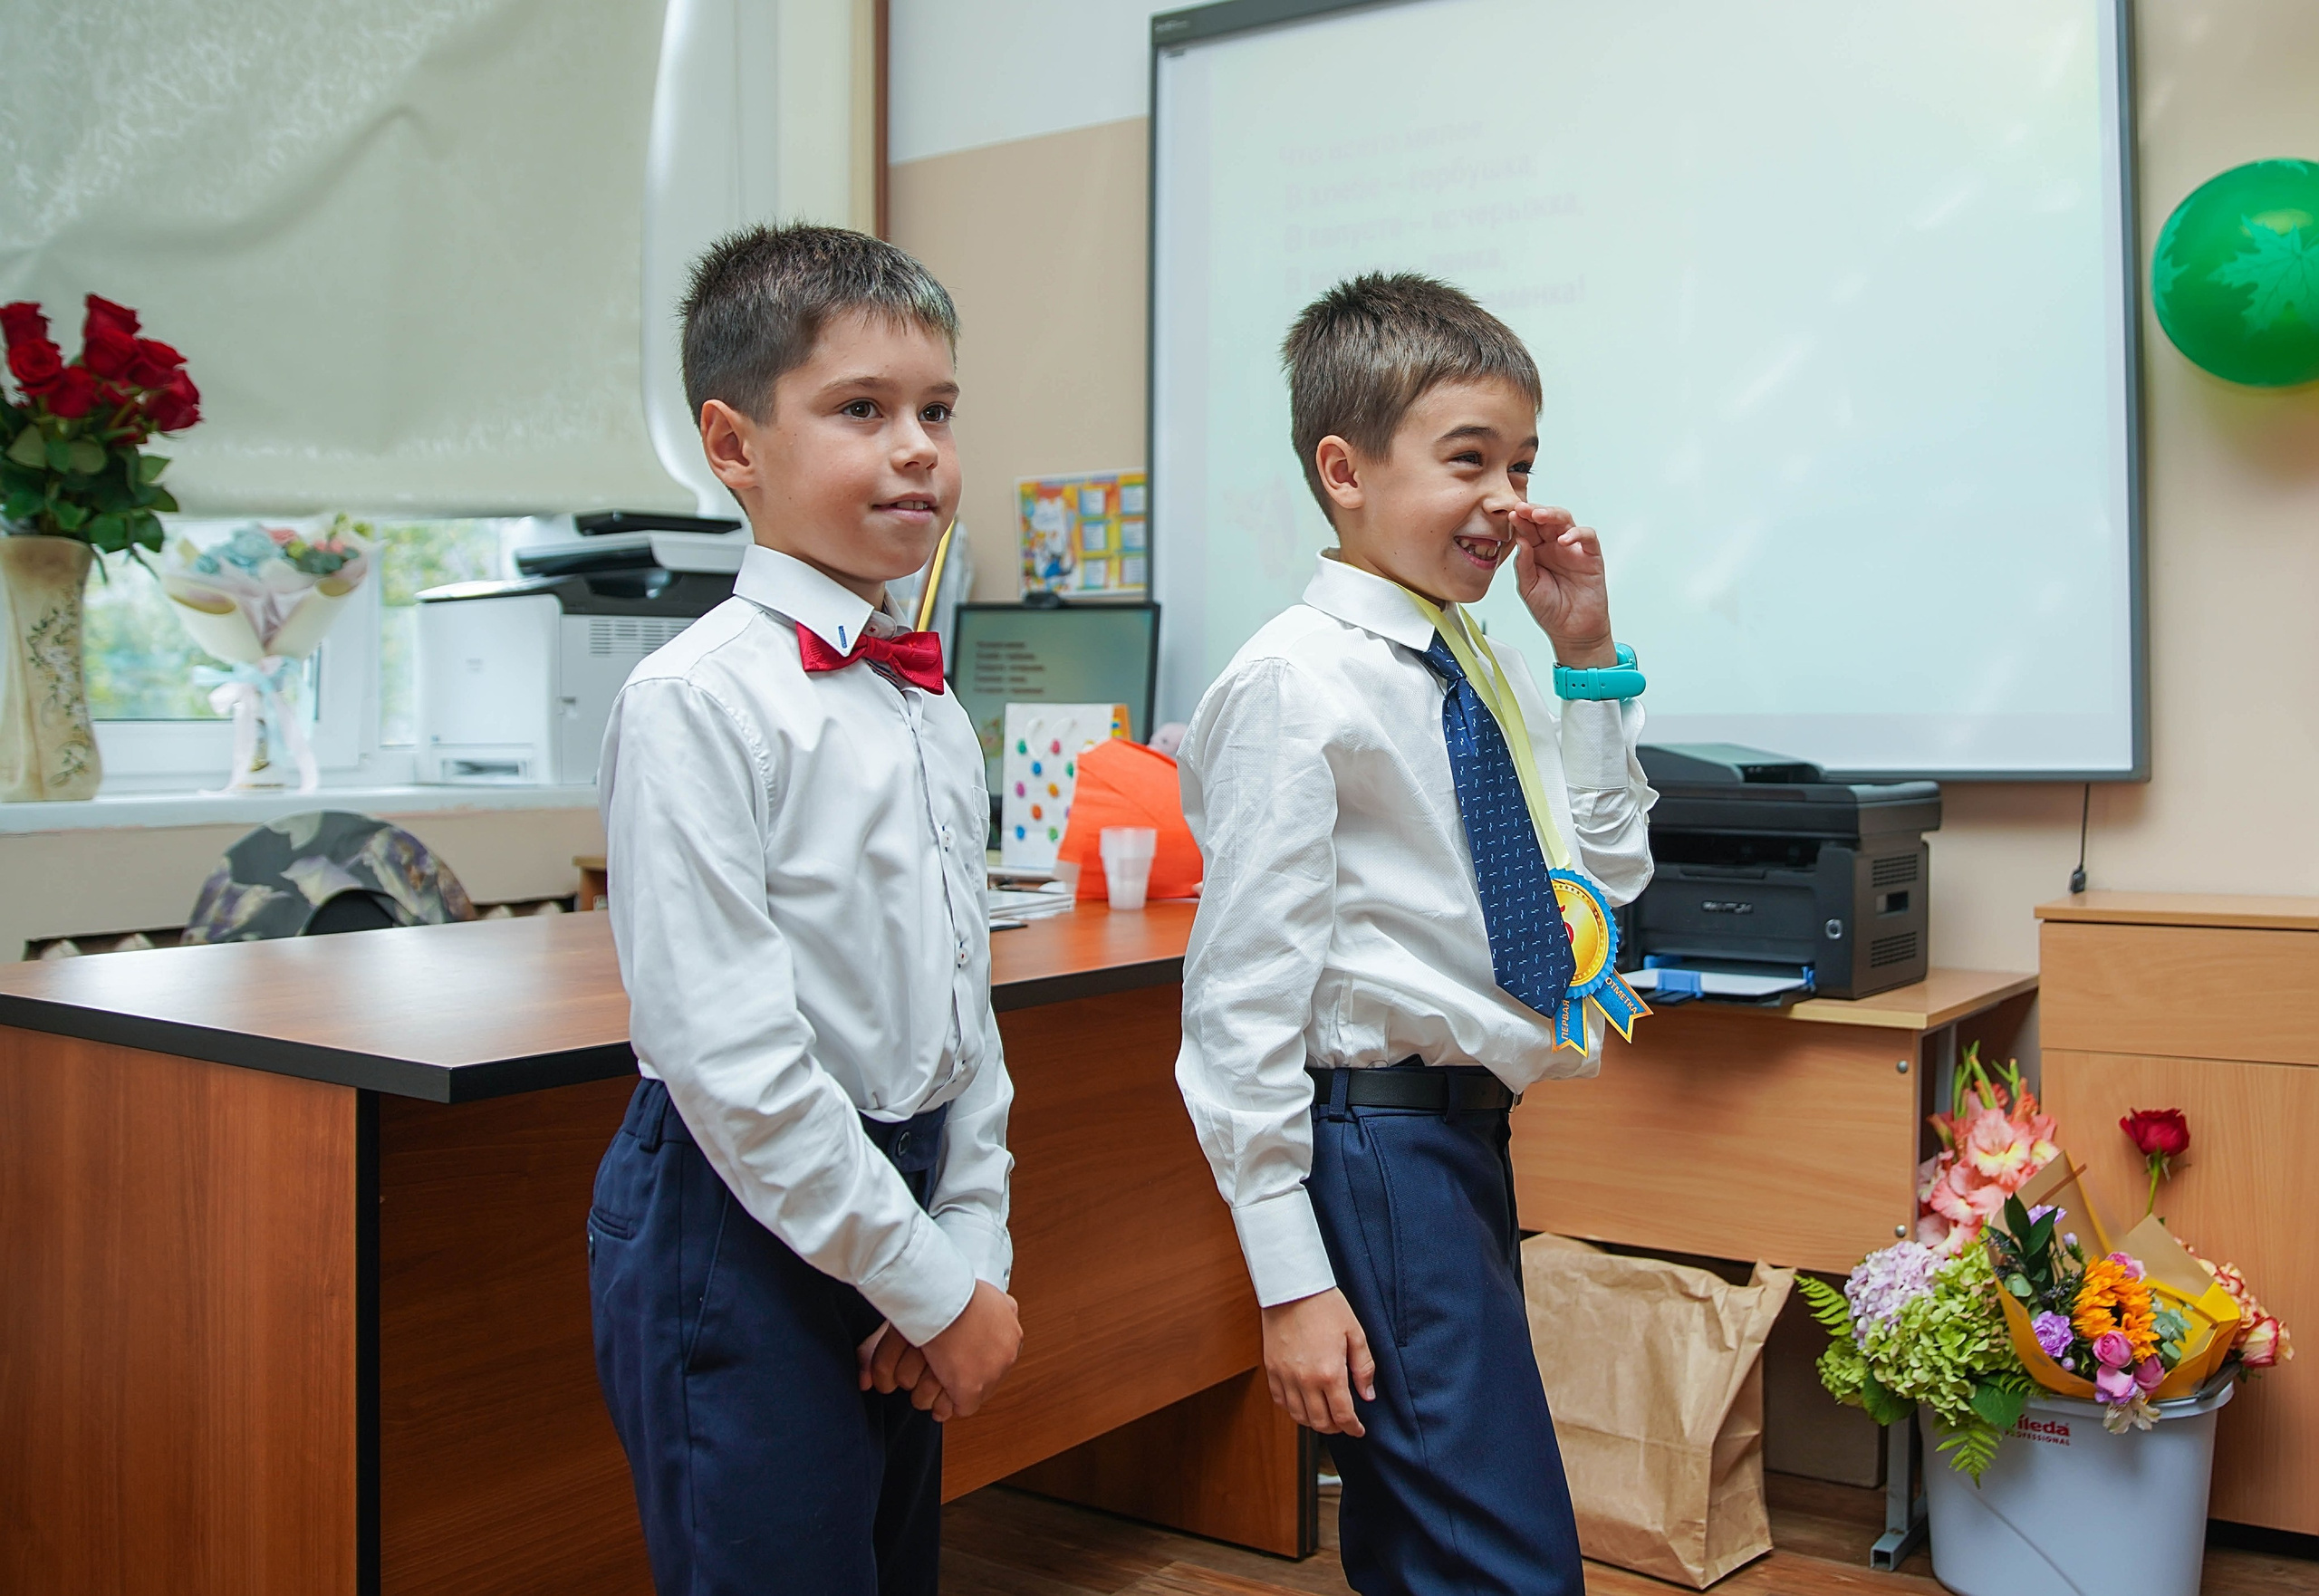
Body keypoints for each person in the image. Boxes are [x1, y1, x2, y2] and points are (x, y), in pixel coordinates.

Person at [1174, 272, 1656, 1594]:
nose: (1509, 498)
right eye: (1468, 460)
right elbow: (1235, 1011)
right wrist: (1288, 1279)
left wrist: (1589, 662)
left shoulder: (1469, 662)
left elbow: (1603, 884)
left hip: (1458, 1135)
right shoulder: (1294, 683)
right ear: (1345, 468)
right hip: (1372, 1143)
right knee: (1502, 1557)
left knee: (1426, 1535)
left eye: (1522, 462)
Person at [589, 223, 1021, 1596]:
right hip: (738, 1220)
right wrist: (935, 1289)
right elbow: (738, 1067)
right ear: (733, 445)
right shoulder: (697, 701)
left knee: (886, 1563)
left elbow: (967, 1016)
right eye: (862, 410)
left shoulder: (927, 701)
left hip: (898, 1194)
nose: (918, 449)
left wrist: (967, 1243)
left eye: (938, 411)